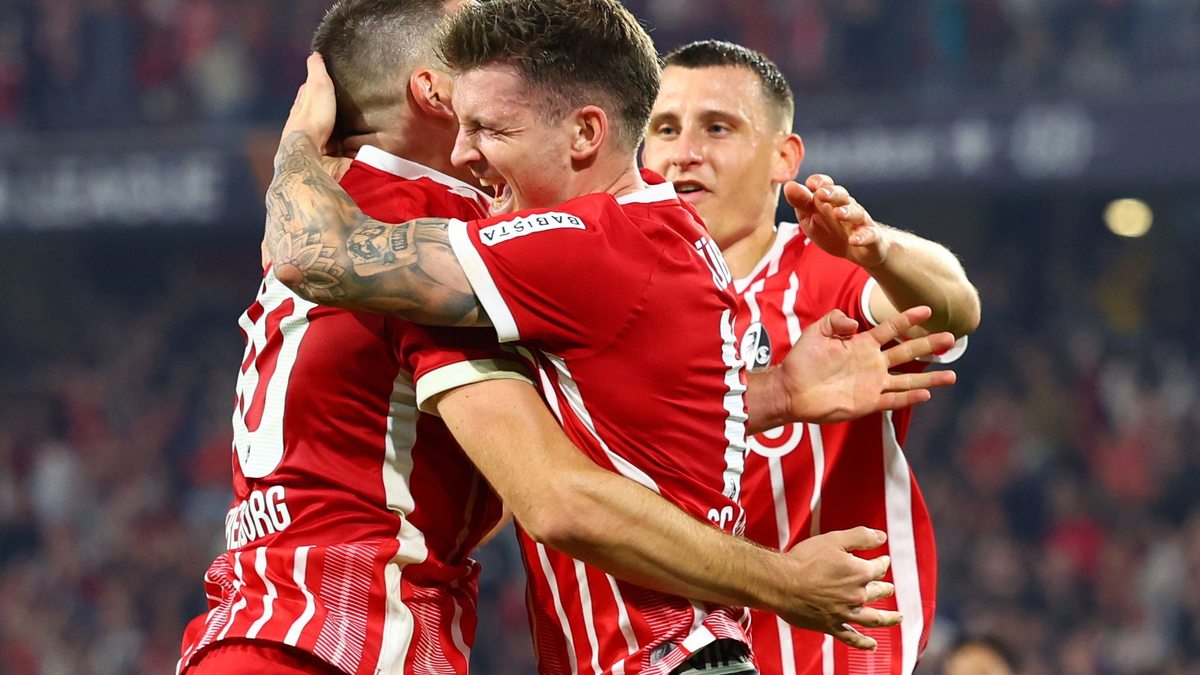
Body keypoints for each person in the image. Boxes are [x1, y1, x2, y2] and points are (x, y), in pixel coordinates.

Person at [181, 3, 956, 675]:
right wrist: (776, 392)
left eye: (490, 127)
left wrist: (298, 145)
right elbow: (607, 427)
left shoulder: (579, 243)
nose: (466, 152)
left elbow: (554, 498)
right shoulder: (614, 240)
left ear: (585, 132)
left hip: (330, 636)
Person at [641, 41, 982, 675]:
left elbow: (956, 306)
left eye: (717, 127)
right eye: (665, 129)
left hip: (831, 655)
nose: (685, 151)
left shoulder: (825, 274)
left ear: (783, 157)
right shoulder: (609, 291)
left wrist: (877, 250)